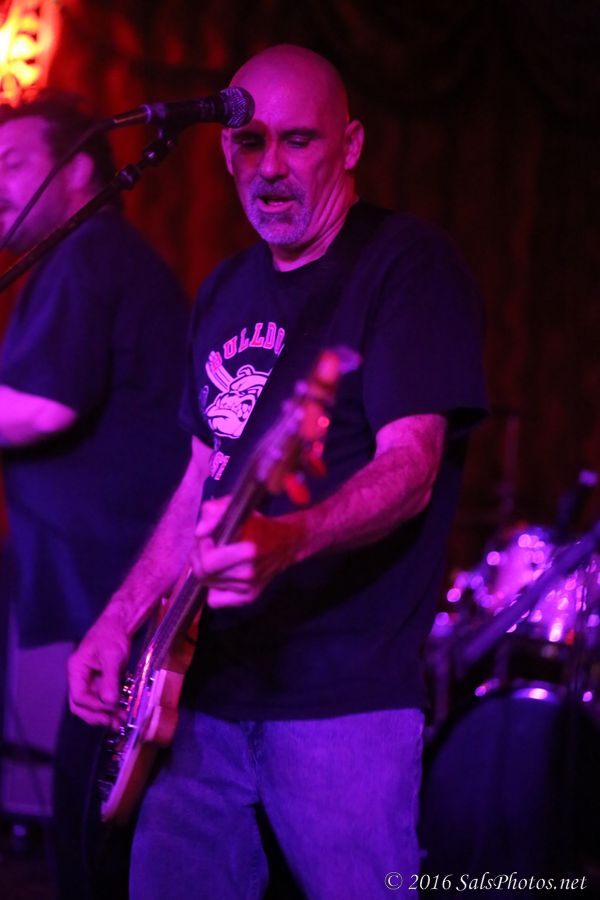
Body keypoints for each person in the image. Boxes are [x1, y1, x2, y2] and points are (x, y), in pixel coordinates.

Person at [69, 45, 487, 899]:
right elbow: (201, 480)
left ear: (351, 144)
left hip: (344, 702)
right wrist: (119, 620)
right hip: (200, 693)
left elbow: (412, 465)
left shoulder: (405, 265)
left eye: (299, 140)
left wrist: (290, 537)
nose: (270, 168)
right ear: (224, 152)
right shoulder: (225, 288)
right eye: (249, 143)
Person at [0, 94, 190, 897]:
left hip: (131, 591)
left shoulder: (90, 251)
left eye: (12, 165)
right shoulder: (79, 256)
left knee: (92, 840)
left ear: (78, 171)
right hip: (116, 590)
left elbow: (45, 406)